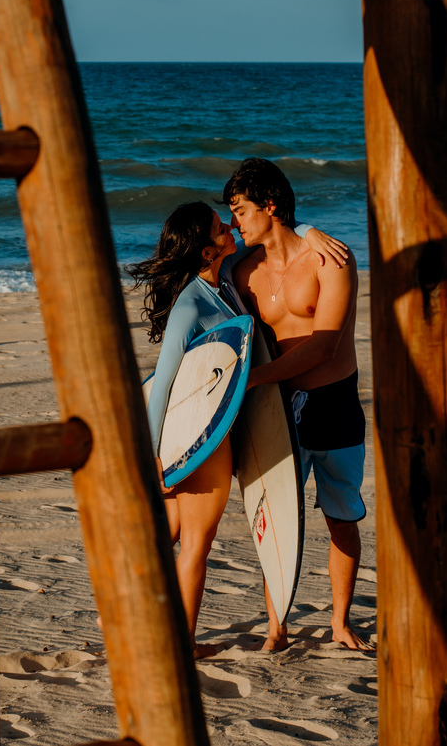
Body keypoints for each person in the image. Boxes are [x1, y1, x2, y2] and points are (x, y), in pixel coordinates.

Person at [128, 200, 345, 656]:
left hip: (207, 429)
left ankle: (133, 624)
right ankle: (183, 645)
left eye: (227, 219)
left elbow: (272, 231)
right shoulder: (190, 302)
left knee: (160, 541)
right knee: (195, 546)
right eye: (218, 227)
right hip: (198, 437)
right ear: (206, 251)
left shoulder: (222, 280)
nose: (230, 227)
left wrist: (310, 230)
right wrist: (152, 455)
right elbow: (165, 379)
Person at [224, 157, 373, 652]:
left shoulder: (331, 260)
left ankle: (339, 622)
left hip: (334, 403)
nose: (234, 223)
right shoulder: (240, 271)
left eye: (241, 211)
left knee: (341, 517)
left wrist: (255, 379)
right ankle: (276, 627)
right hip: (278, 410)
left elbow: (324, 345)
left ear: (270, 206)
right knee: (276, 521)